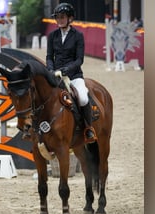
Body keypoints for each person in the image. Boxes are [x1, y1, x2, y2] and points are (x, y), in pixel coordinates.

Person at [46, 2, 97, 143]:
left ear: (70, 19)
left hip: (73, 76)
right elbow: (49, 56)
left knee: (83, 98)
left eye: (62, 17)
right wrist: (50, 69)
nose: (59, 20)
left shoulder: (78, 35)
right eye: (57, 17)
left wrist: (66, 70)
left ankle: (88, 128)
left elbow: (79, 60)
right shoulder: (52, 36)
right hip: (55, 76)